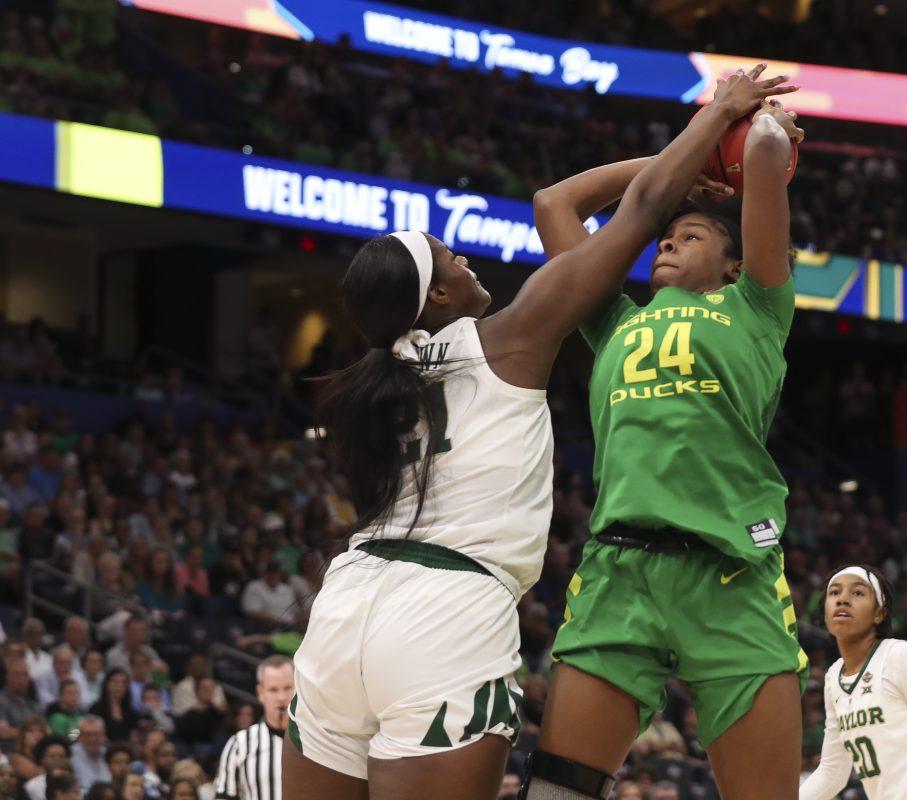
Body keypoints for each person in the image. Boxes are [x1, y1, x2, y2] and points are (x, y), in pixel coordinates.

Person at [282, 66, 793, 800]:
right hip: (475, 600)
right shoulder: (518, 335)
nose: (469, 259)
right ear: (435, 294)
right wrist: (716, 126)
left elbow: (568, 201)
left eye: (691, 235)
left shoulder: (378, 378)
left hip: (350, 599)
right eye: (454, 259)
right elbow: (626, 207)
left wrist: (730, 151)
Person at [525, 67, 806, 800]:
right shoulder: (612, 317)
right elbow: (556, 203)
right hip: (621, 570)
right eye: (663, 236)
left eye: (689, 235)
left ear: (736, 262)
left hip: (733, 576)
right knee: (555, 792)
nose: (665, 244)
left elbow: (770, 156)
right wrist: (688, 162)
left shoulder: (757, 307)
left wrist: (747, 129)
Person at [799, 565, 907, 800]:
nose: (843, 599)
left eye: (857, 593)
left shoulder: (901, 656)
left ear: (879, 613)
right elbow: (832, 772)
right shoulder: (833, 677)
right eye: (835, 593)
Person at [215, 656, 293, 800]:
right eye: (273, 690)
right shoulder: (239, 744)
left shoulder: (316, 740)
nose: (281, 697)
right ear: (260, 693)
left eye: (288, 688)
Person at [88, 670, 143, 742]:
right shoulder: (96, 709)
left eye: (123, 683)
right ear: (107, 684)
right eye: (115, 682)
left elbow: (134, 738)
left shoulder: (131, 712)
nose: (119, 686)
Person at [21, 734, 72, 800]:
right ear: (42, 760)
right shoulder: (32, 786)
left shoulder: (74, 784)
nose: (57, 760)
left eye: (61, 756)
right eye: (52, 756)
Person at [70, 715, 111, 792]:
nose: (93, 739)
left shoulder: (109, 755)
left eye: (97, 734)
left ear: (104, 735)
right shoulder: (70, 755)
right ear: (79, 736)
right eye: (88, 735)